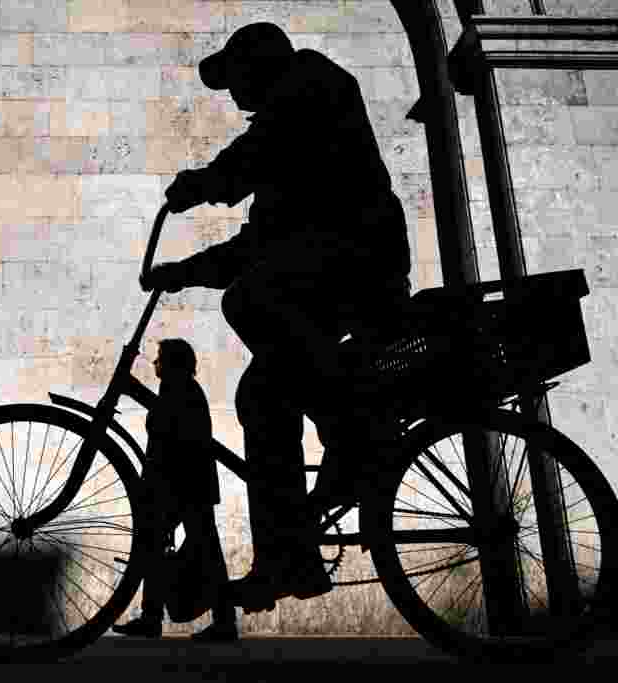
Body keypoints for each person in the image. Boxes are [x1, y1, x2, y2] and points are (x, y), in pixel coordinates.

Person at [139, 22, 413, 614]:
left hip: (360, 261)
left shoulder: (311, 85)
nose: (235, 98)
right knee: (261, 395)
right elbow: (255, 245)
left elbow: (254, 155)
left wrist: (202, 184)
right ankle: (286, 560)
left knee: (248, 300)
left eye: (236, 81)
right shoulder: (289, 165)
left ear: (258, 66)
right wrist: (182, 272)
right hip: (325, 269)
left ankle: (352, 435)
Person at [112, 338, 238, 642]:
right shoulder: (178, 389)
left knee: (198, 551)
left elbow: (172, 421)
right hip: (180, 484)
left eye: (159, 359)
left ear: (172, 364)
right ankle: (157, 618)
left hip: (185, 485)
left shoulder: (183, 390)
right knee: (164, 547)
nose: (155, 364)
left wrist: (134, 390)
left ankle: (216, 622)